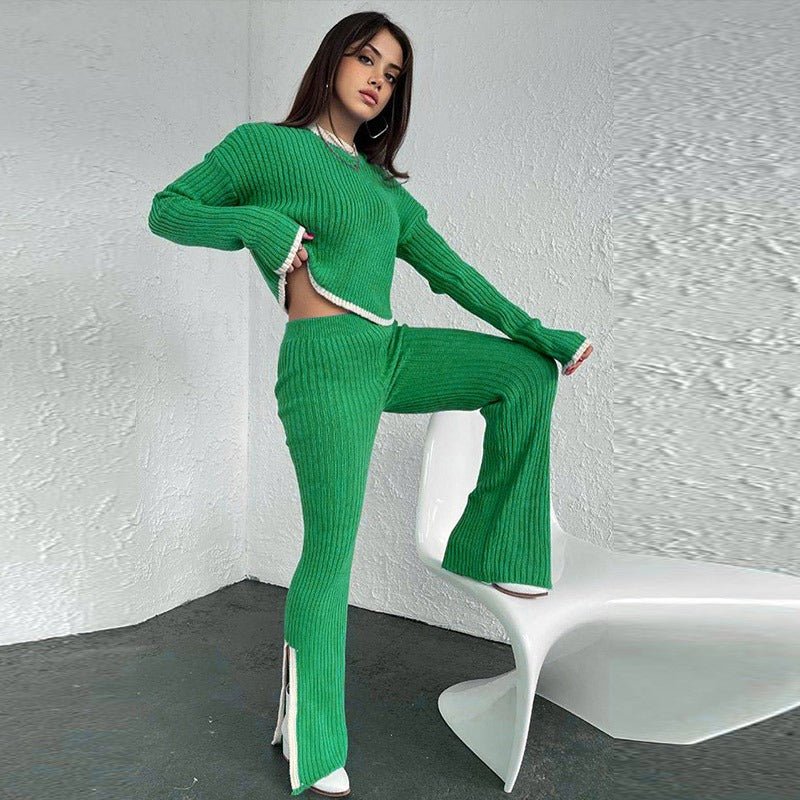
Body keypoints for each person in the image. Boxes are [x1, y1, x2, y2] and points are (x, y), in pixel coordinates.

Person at [147, 11, 593, 797]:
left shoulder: (385, 190)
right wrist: (255, 222)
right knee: (332, 549)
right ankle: (312, 735)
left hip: (390, 349)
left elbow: (451, 272)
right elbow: (170, 208)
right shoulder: (264, 147)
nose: (378, 80)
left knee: (524, 373)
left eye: (392, 75)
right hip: (326, 362)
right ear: (332, 62)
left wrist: (537, 332)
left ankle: (495, 549)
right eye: (366, 60)